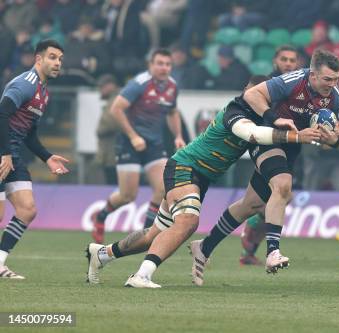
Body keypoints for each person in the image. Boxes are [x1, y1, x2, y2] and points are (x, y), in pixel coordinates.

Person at [85, 76, 321, 286]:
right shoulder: (235, 112)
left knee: (152, 236)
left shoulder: (266, 119)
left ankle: (102, 254)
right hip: (185, 167)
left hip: (200, 177)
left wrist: (329, 135)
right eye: (252, 94)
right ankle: (141, 276)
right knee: (188, 221)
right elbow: (253, 135)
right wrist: (297, 136)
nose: (254, 100)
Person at [187, 49, 339, 285]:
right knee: (283, 185)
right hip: (268, 136)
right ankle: (273, 251)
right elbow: (252, 95)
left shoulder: (335, 99)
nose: (332, 85)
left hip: (293, 145)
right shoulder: (291, 81)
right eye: (327, 79)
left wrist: (333, 140)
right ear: (312, 75)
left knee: (250, 205)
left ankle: (204, 246)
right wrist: (274, 117)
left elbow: (330, 139)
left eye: (336, 80)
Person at [90, 49, 185, 244]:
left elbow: (172, 112)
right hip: (129, 144)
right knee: (127, 196)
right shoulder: (139, 84)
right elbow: (116, 109)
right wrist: (133, 136)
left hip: (154, 144)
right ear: (151, 65)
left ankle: (146, 233)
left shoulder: (172, 86)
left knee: (163, 189)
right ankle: (100, 217)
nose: (164, 68)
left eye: (167, 64)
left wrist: (178, 136)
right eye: (160, 63)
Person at [0, 39, 70, 279]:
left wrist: (47, 157)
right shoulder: (26, 84)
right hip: (4, 152)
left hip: (14, 154)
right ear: (38, 59)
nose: (57, 63)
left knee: (27, 209)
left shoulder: (44, 92)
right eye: (52, 57)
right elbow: (2, 113)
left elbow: (29, 134)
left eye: (60, 59)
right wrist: (5, 153)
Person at [239, 44, 299, 266]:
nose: (288, 64)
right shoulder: (267, 84)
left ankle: (250, 241)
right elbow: (247, 100)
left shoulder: (299, 87)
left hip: (290, 147)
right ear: (276, 61)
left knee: (277, 198)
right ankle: (253, 238)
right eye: (284, 59)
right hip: (266, 144)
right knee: (277, 195)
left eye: (293, 60)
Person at [94, 74, 121, 185]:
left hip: (113, 152)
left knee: (113, 183)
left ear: (111, 86)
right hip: (110, 153)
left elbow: (112, 123)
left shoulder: (116, 100)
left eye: (102, 87)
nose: (100, 90)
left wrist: (100, 130)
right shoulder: (114, 99)